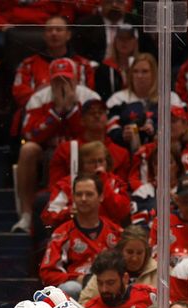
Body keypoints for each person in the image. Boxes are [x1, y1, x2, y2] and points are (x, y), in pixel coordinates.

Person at [12, 59, 100, 232]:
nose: (63, 86)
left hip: (82, 149)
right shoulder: (38, 98)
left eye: (67, 80)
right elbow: (30, 134)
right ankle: (27, 215)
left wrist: (72, 110)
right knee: (27, 149)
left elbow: (94, 131)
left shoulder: (90, 97)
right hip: (47, 150)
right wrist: (57, 113)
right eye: (58, 81)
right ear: (50, 81)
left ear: (76, 80)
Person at [39, 174, 122, 299]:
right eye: (79, 194)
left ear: (101, 196)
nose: (83, 199)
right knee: (69, 288)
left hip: (110, 286)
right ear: (73, 197)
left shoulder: (115, 232)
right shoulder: (62, 233)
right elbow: (47, 273)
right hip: (78, 288)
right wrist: (77, 278)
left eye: (89, 194)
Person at [41, 140, 130, 229]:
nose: (98, 166)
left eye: (101, 161)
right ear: (82, 164)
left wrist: (103, 182)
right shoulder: (66, 184)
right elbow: (48, 217)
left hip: (108, 233)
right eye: (92, 162)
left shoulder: (116, 183)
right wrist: (68, 212)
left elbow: (121, 212)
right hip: (73, 233)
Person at [105, 53, 183, 153]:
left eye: (145, 72)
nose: (139, 76)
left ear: (154, 74)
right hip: (128, 152)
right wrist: (122, 134)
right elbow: (110, 128)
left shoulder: (170, 98)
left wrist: (156, 129)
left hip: (164, 152)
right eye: (135, 71)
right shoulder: (117, 99)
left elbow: (180, 127)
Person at [48, 98, 130, 187]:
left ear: (107, 119)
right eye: (91, 113)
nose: (97, 116)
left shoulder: (121, 154)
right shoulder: (65, 150)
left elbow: (120, 188)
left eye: (101, 112)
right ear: (82, 120)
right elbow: (55, 185)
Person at [79, 224, 157, 305]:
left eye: (139, 253)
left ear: (146, 252)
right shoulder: (107, 268)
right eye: (130, 252)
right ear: (121, 250)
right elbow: (84, 304)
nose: (134, 258)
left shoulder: (159, 271)